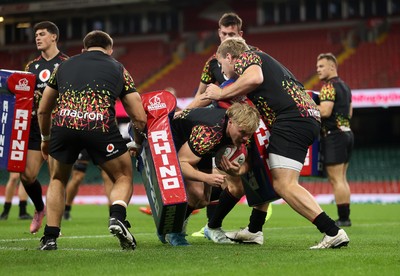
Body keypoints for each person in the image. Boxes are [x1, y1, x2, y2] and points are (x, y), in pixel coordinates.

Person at [202, 37, 350, 249]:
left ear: (228, 57)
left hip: (292, 119)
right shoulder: (267, 61)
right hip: (305, 117)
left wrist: (221, 92)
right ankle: (254, 230)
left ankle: (332, 231)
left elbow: (254, 78)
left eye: (221, 64)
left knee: (284, 183)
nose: (222, 70)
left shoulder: (247, 57)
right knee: (272, 174)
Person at [37, 30, 147, 250]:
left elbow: (43, 110)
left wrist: (46, 139)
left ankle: (50, 237)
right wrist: (137, 141)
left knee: (58, 179)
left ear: (83, 49)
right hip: (99, 126)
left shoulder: (62, 66)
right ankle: (116, 216)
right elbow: (139, 116)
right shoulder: (118, 68)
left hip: (65, 125)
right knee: (123, 175)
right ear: (110, 49)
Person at [184, 12, 272, 240]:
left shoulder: (253, 57)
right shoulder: (213, 62)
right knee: (232, 182)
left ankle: (253, 229)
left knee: (257, 181)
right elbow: (202, 94)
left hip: (254, 127)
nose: (227, 37)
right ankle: (211, 226)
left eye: (232, 34)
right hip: (224, 129)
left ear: (240, 34)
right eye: (224, 33)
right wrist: (184, 113)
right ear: (219, 33)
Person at [160, 102, 260, 246]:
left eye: (249, 134)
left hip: (201, 148)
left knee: (203, 200)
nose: (245, 138)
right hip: (173, 140)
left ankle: (168, 228)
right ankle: (173, 232)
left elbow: (249, 163)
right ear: (231, 122)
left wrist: (238, 171)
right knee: (196, 194)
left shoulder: (245, 130)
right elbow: (182, 164)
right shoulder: (209, 132)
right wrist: (206, 177)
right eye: (242, 132)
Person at [22, 21, 69, 234]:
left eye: (42, 34)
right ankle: (39, 209)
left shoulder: (67, 63)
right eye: (36, 35)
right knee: (27, 175)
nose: (38, 38)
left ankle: (52, 229)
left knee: (55, 178)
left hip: (58, 127)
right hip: (34, 127)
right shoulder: (31, 67)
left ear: (54, 37)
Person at [316, 53, 354, 227]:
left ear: (332, 67)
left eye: (321, 66)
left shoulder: (328, 87)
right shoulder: (345, 87)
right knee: (342, 178)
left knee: (336, 179)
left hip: (334, 135)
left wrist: (307, 107)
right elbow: (350, 113)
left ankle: (343, 219)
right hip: (347, 133)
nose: (318, 70)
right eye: (317, 67)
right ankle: (345, 217)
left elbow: (324, 112)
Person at [63, 150, 113, 220]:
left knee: (107, 175)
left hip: (98, 142)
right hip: (83, 144)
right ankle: (66, 209)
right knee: (77, 177)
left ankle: (112, 212)